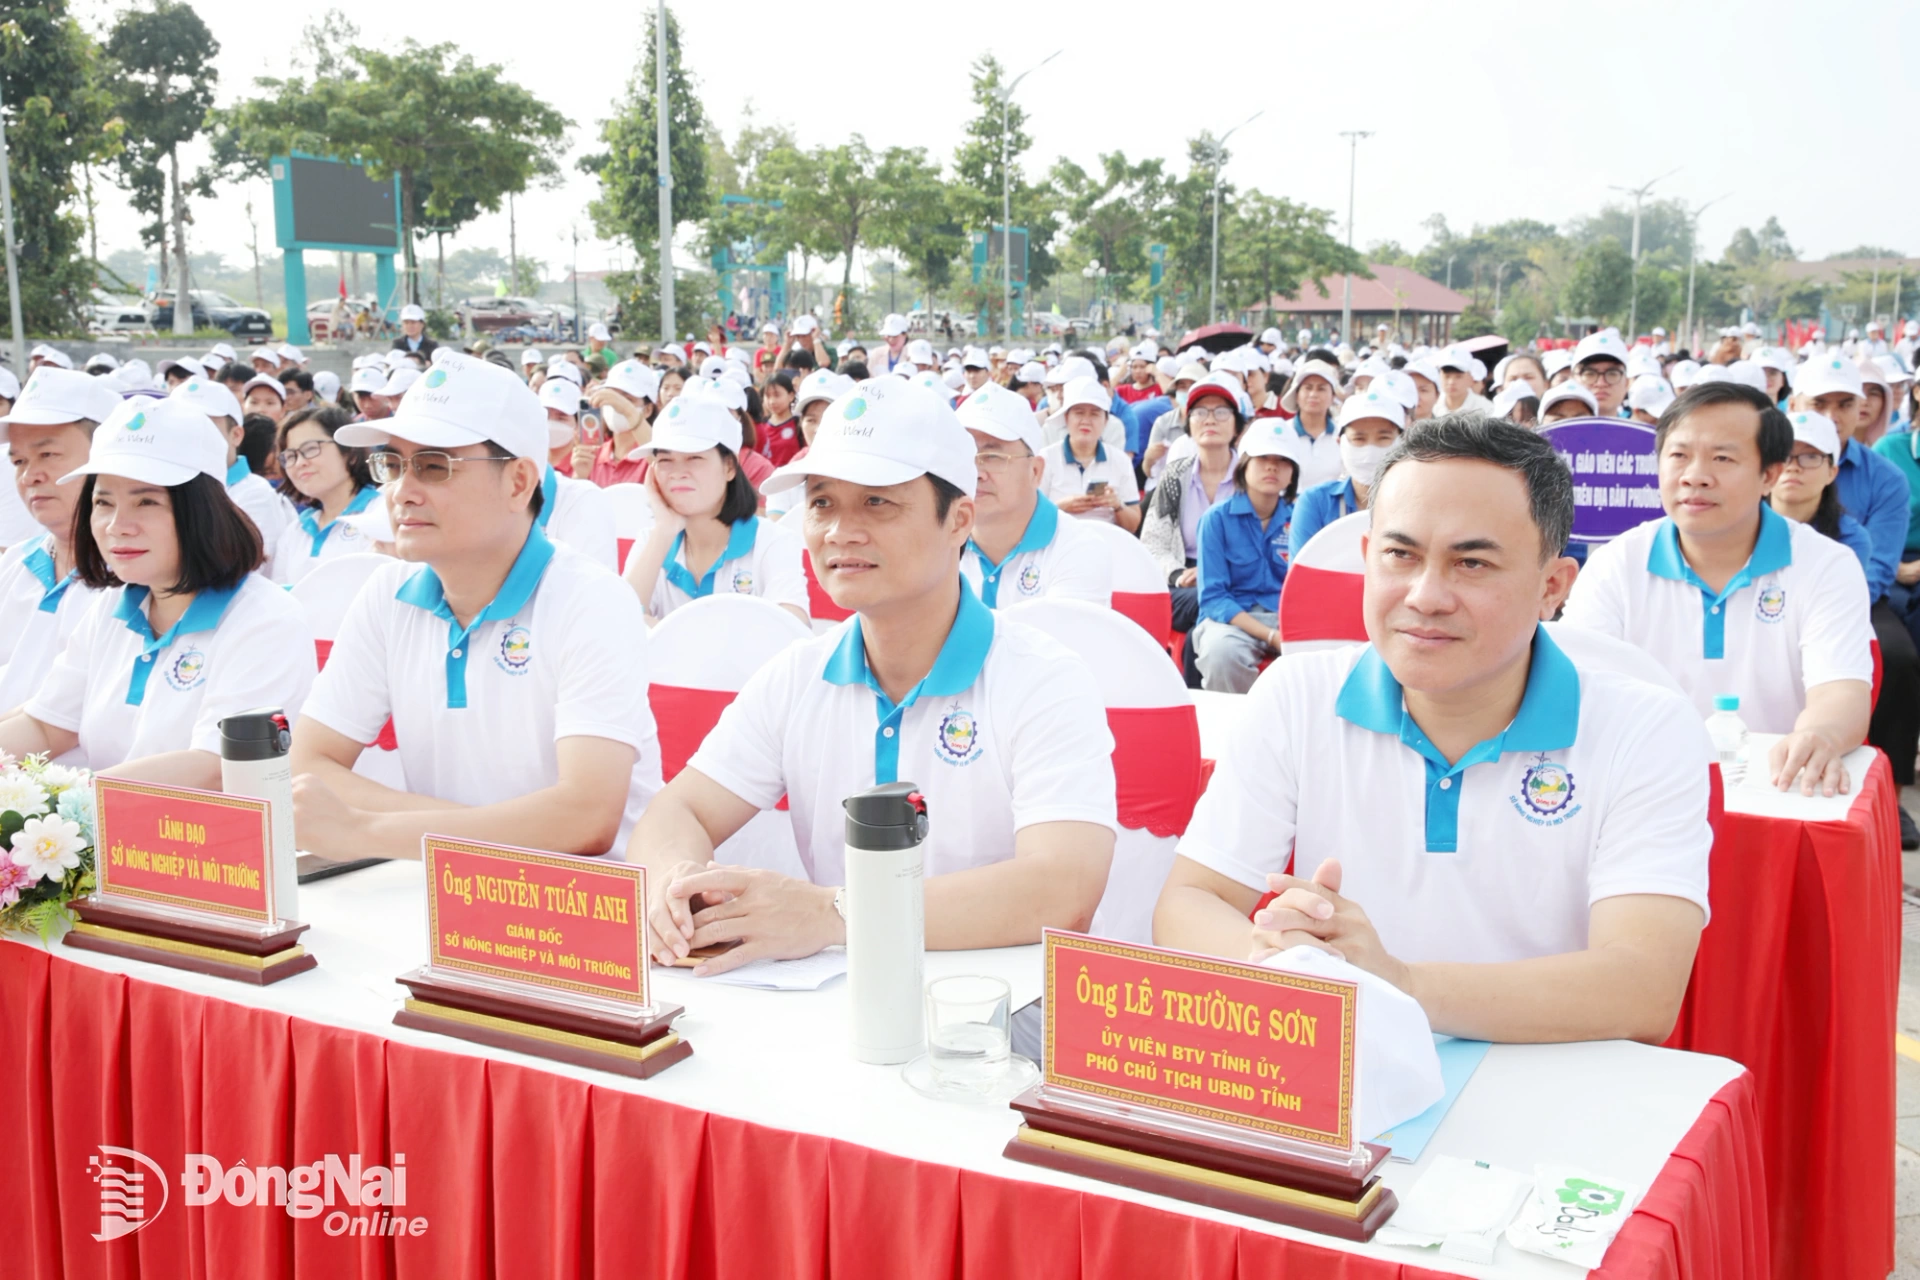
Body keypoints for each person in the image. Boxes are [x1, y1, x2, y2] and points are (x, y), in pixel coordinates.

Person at [1155, 415, 1714, 1044]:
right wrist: (1278, 960)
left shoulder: (1645, 729)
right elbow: (1188, 904)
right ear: (1367, 560)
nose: (1425, 596)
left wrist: (1394, 984)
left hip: (1551, 1083)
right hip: (1349, 1075)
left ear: (1552, 587)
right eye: (1401, 555)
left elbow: (1642, 987)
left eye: (1471, 562)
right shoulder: (1297, 696)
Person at [629, 376, 1117, 974]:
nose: (841, 531)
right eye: (822, 503)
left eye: (878, 502)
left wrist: (832, 912)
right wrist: (675, 888)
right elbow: (677, 812)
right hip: (831, 1001)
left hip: (1004, 1015)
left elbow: (1064, 886)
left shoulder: (1043, 679)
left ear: (959, 520)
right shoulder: (797, 675)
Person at [289, 351, 663, 861]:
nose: (401, 492)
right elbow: (309, 765)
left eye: (433, 466)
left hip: (579, 897)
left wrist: (366, 830)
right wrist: (469, 832)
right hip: (442, 888)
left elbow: (584, 818)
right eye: (393, 465)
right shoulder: (387, 595)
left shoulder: (590, 599)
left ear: (518, 482)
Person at [1562, 383, 1873, 795]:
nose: (1695, 476)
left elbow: (1841, 689)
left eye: (1723, 458)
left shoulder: (1825, 565)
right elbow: (1579, 688)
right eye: (1679, 455)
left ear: (1770, 475)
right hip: (1644, 787)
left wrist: (1822, 734)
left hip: (1777, 787)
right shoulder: (1616, 565)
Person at [0, 396, 313, 785]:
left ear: (202, 510)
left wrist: (74, 801)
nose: (117, 525)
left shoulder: (265, 620)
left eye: (146, 501)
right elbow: (47, 725)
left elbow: (216, 767)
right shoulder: (112, 607)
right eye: (103, 502)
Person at [621, 385, 808, 625]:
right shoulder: (652, 541)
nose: (678, 472)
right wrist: (664, 530)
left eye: (694, 457)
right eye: (665, 460)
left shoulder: (771, 541)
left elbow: (792, 627)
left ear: (729, 466)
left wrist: (666, 634)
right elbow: (618, 624)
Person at [0, 370, 120, 713]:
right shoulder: (16, 563)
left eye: (48, 455)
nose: (29, 476)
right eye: (19, 461)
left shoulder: (134, 577)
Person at [957, 382, 1111, 609]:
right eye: (964, 455)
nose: (976, 472)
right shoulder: (937, 541)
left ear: (1036, 471)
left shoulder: (1079, 549)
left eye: (993, 457)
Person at [1142, 375, 1247, 681]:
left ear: (1237, 426)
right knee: (1204, 600)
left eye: (1221, 412)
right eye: (1200, 412)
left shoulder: (1249, 475)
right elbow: (1153, 542)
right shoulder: (1175, 475)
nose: (1210, 419)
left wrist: (1210, 573)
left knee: (1199, 626)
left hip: (1234, 580)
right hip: (1182, 583)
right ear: (1188, 424)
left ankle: (1196, 696)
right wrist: (1177, 573)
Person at [1192, 421, 1306, 693]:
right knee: (1221, 654)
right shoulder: (1216, 519)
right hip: (1231, 622)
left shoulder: (1301, 518)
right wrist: (1270, 635)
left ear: (1293, 472)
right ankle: (1239, 720)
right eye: (1263, 458)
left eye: (1282, 460)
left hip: (1287, 618)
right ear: (1244, 465)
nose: (1272, 467)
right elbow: (1214, 597)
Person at [172, 376, 296, 548]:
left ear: (236, 435)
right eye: (181, 425)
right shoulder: (165, 485)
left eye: (205, 426)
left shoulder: (256, 495)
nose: (190, 435)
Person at [1288, 386, 1407, 557]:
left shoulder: (1419, 503)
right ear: (1340, 443)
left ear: (1402, 442)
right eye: (1359, 438)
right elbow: (1302, 569)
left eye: (1384, 438)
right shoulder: (1316, 502)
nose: (1370, 450)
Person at [268, 405, 381, 585]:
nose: (300, 463)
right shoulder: (295, 531)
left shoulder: (381, 513)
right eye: (290, 456)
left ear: (350, 453)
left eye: (310, 449)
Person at [1770, 410, 1874, 576]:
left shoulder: (1850, 539)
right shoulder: (1738, 525)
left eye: (1811, 457)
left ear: (1832, 472)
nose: (1793, 467)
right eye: (1783, 455)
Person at [1040, 376, 1141, 531]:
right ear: (1066, 418)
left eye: (1094, 414)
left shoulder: (1120, 460)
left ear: (1105, 421)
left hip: (1106, 541)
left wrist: (1117, 505)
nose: (1086, 421)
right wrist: (1060, 507)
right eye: (1079, 413)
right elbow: (1029, 518)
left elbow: (1133, 525)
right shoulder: (1046, 458)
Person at [577, 360, 660, 487]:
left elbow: (662, 466)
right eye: (611, 396)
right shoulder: (592, 454)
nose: (615, 405)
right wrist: (579, 476)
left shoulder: (653, 454)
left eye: (628, 399)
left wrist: (628, 411)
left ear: (648, 409)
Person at [1278, 359, 1344, 488]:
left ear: (1333, 396)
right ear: (1297, 394)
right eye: (1308, 388)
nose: (1313, 394)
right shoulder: (1282, 433)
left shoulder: (1342, 436)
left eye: (1321, 389)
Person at [1571, 329, 1631, 418]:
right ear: (1573, 380)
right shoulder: (1554, 426)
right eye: (1590, 374)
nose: (1601, 383)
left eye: (1612, 374)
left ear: (1626, 383)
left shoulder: (1640, 427)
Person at [756, 370, 805, 468]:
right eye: (767, 396)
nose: (772, 401)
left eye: (777, 395)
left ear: (791, 396)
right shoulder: (760, 426)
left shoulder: (800, 425)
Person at [1435, 349, 1493, 416]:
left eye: (1458, 377)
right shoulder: (1431, 406)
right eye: (1447, 376)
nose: (1451, 382)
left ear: (1471, 379)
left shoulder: (1486, 409)